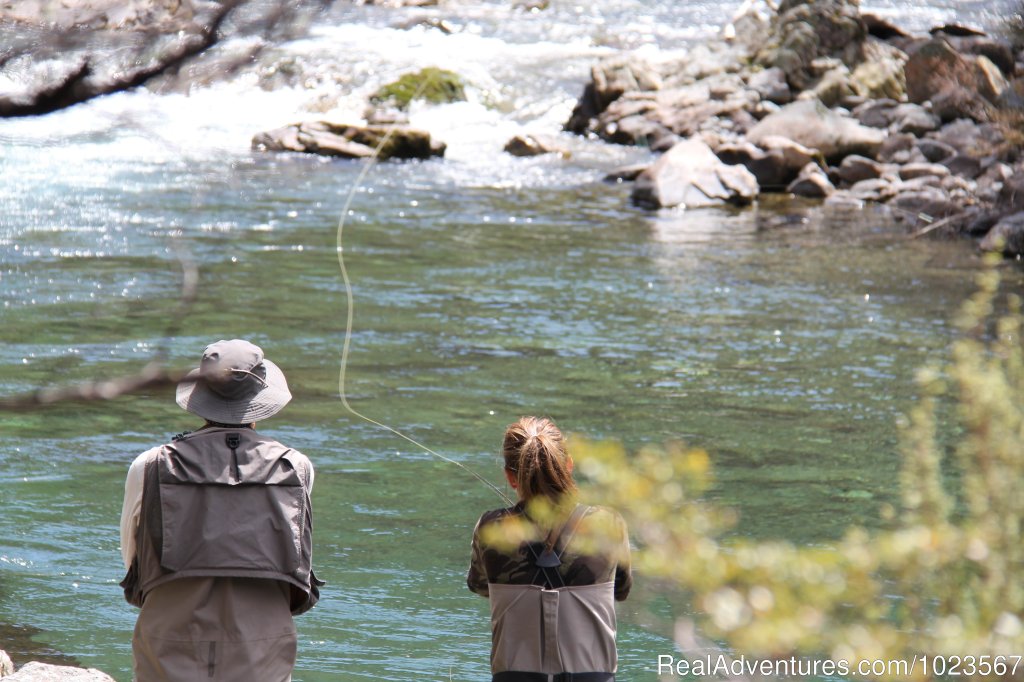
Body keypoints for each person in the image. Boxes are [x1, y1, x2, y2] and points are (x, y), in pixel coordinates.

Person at [119, 339, 322, 682]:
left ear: (200, 399)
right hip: (263, 639)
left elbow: (133, 557)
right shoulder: (298, 468)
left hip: (169, 633)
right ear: (262, 401)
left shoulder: (149, 465)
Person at [467, 416, 632, 682]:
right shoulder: (608, 524)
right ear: (568, 466)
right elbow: (621, 590)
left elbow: (479, 586)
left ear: (511, 478)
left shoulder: (491, 527)